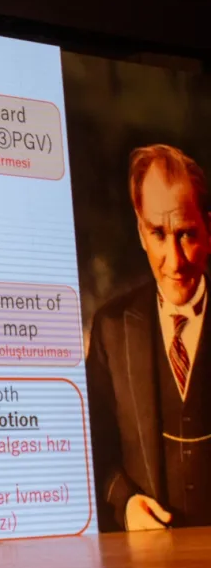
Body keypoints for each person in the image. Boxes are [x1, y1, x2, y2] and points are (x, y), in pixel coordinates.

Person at [87, 144, 211, 531]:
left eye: (186, 234)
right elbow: (93, 450)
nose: (175, 261)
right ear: (141, 232)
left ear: (209, 229)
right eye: (158, 234)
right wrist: (125, 504)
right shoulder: (110, 329)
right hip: (145, 564)